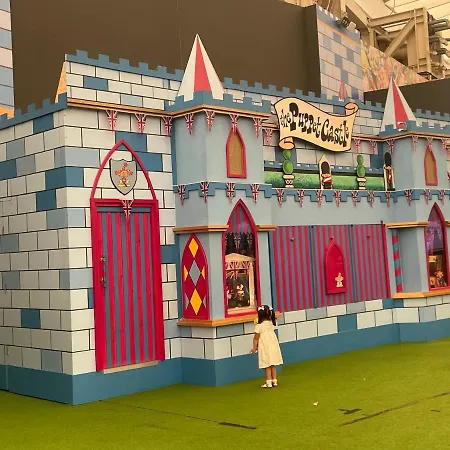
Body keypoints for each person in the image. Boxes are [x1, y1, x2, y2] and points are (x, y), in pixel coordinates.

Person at [250, 305, 284, 388]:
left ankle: (268, 381)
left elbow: (256, 338)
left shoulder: (259, 326)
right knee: (272, 364)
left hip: (265, 346)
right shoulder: (270, 323)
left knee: (267, 364)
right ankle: (274, 380)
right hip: (273, 345)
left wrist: (254, 348)